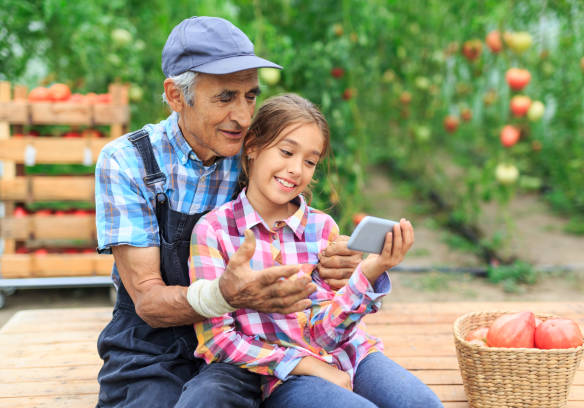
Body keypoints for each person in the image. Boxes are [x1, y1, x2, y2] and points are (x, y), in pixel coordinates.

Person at [94, 17, 361, 407]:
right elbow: (149, 303)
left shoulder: (250, 153)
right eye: (224, 98)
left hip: (244, 341)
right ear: (175, 95)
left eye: (250, 96)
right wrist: (225, 294)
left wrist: (339, 263)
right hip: (152, 347)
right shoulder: (127, 162)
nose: (242, 116)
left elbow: (297, 234)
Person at [189, 94, 444, 408]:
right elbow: (217, 340)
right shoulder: (215, 231)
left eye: (310, 161)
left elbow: (326, 335)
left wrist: (369, 272)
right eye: (286, 152)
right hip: (283, 375)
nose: (296, 169)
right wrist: (311, 366)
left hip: (349, 354)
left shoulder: (322, 229)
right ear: (252, 146)